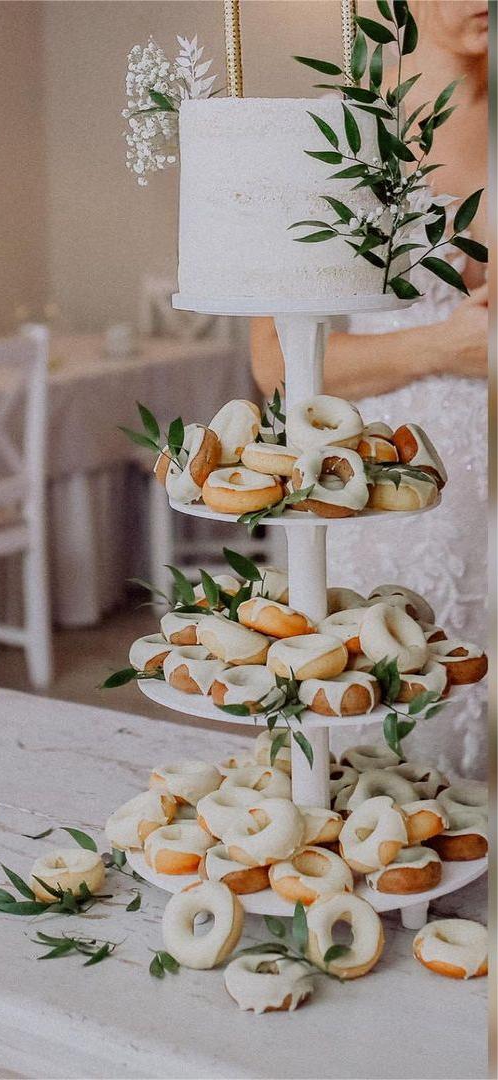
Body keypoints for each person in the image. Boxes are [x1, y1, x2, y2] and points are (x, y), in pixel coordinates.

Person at [251, 1, 489, 777]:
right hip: (393, 489)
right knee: (398, 744)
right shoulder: (344, 132)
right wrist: (444, 345)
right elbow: (275, 362)